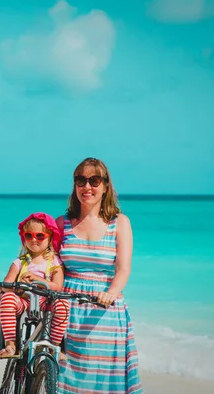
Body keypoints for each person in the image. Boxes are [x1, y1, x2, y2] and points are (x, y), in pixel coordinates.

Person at [56, 157, 143, 393]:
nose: (87, 187)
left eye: (94, 180)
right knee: (65, 379)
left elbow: (123, 269)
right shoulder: (61, 223)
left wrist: (111, 292)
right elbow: (52, 266)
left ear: (105, 186)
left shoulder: (119, 222)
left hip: (105, 310)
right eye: (81, 180)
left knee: (104, 382)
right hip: (67, 311)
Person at [0, 212, 70, 359]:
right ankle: (11, 345)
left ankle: (53, 346)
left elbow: (57, 286)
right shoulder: (20, 262)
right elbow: (5, 284)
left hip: (45, 302)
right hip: (24, 300)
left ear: (50, 237)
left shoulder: (54, 262)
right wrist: (18, 286)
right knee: (8, 298)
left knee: (63, 304)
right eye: (28, 235)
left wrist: (39, 280)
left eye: (40, 236)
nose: (34, 239)